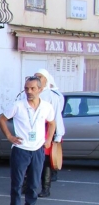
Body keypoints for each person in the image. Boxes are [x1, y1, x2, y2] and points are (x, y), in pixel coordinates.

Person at [0, 77, 55, 205]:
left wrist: (49, 139)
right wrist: (9, 136)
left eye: (32, 88)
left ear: (40, 90)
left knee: (34, 182)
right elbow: (1, 119)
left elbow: (52, 122)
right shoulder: (18, 105)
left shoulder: (47, 106)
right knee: (17, 183)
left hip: (37, 149)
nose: (29, 91)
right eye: (26, 88)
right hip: (21, 149)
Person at [34, 69, 66, 197]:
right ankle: (27, 185)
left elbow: (56, 116)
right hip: (34, 129)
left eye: (40, 77)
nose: (37, 78)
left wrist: (57, 135)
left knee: (46, 161)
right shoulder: (31, 93)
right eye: (36, 76)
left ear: (46, 80)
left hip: (47, 130)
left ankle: (45, 188)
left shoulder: (53, 96)